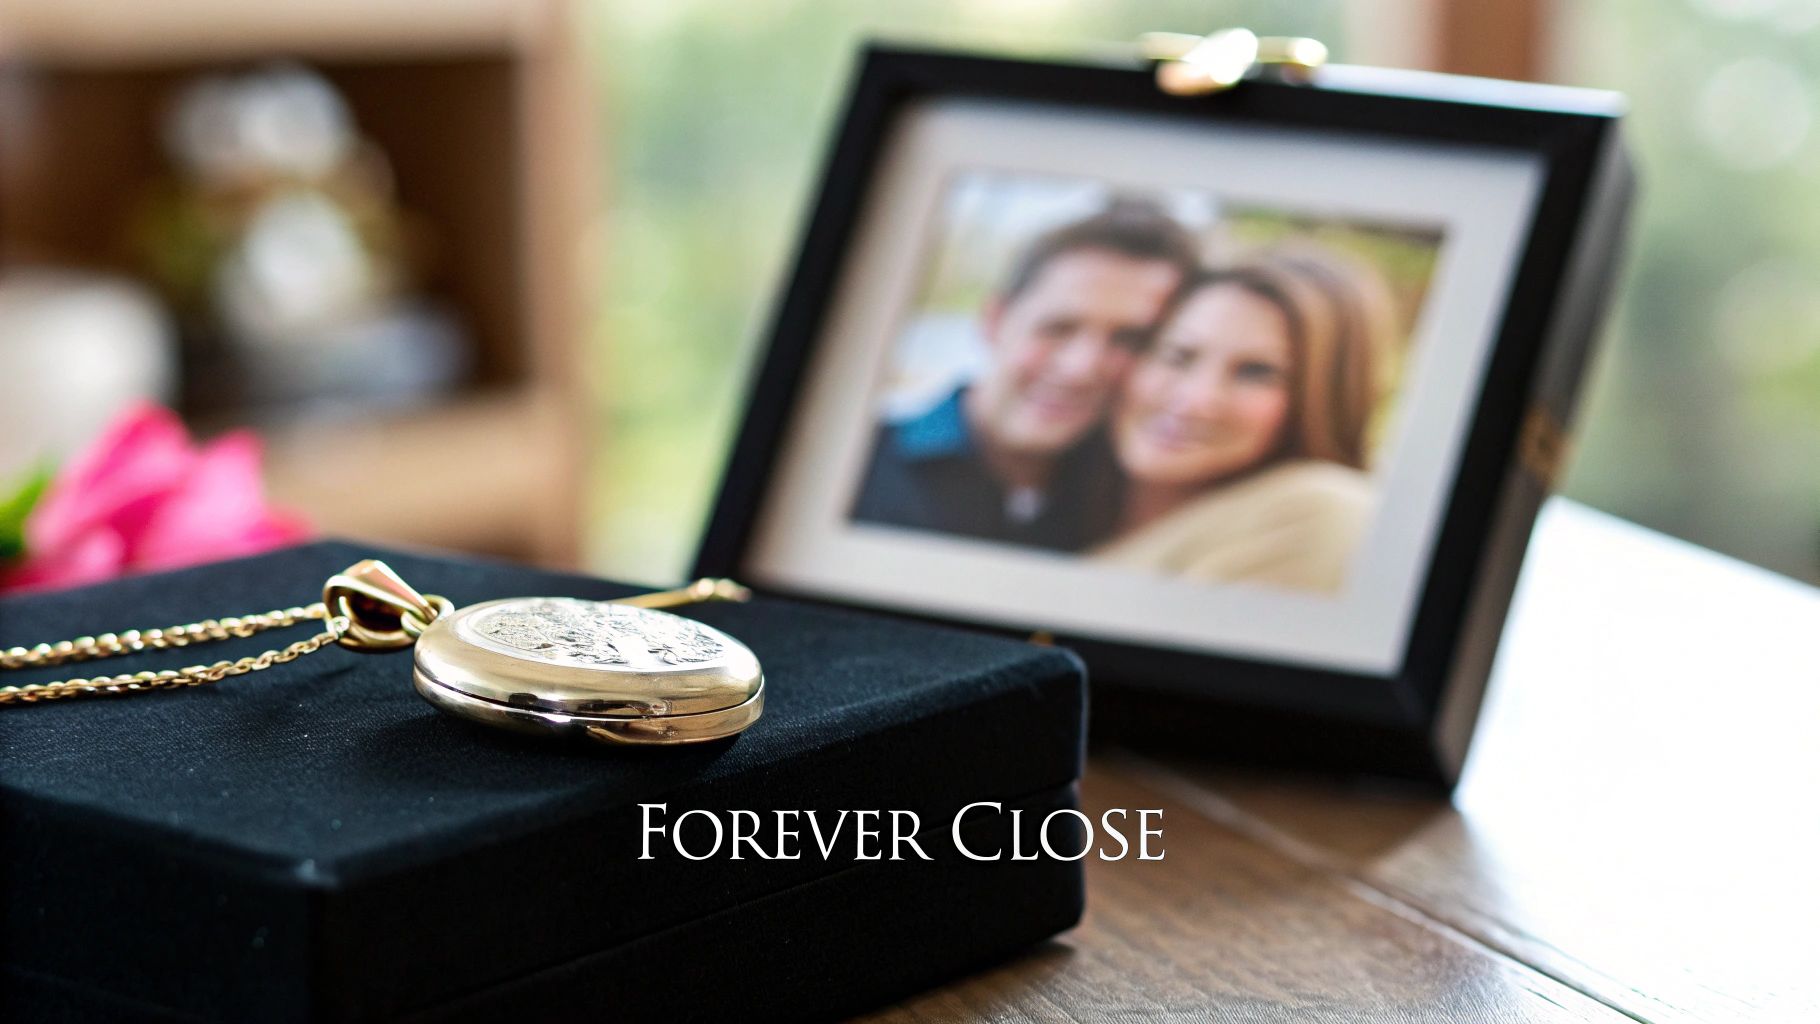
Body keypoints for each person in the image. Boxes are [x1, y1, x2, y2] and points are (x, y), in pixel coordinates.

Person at [851, 200, 1198, 549]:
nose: (1081, 368)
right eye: (1058, 328)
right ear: (995, 321)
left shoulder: (1134, 502)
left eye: (1128, 339)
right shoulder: (856, 469)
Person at [1092, 246, 1396, 592]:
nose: (1194, 400)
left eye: (1255, 373)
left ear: (1323, 400)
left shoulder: (1323, 510)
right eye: (1177, 355)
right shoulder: (1058, 502)